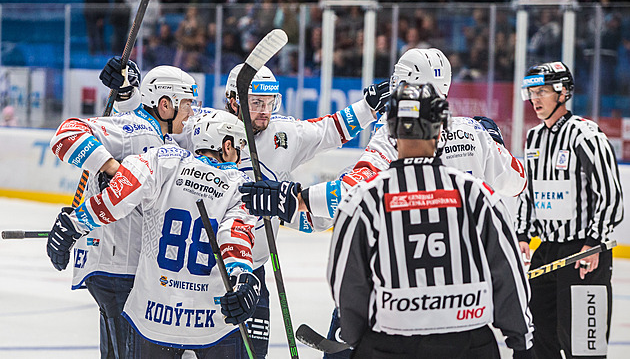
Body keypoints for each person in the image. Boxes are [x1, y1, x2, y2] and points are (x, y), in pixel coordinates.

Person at [239, 48, 528, 358]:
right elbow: (519, 182)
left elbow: (352, 194)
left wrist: (293, 199)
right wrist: (496, 146)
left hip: (397, 305)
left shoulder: (393, 136)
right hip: (462, 313)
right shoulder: (475, 136)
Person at [101, 57, 389, 358]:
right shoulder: (204, 127)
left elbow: (331, 129)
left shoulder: (285, 134)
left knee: (253, 354)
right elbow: (151, 127)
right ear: (233, 100)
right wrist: (126, 94)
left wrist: (369, 107)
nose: (264, 111)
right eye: (256, 103)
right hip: (197, 272)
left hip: (251, 270)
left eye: (269, 102)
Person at [327, 81, 534, 358]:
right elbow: (508, 272)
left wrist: (357, 335)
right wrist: (521, 342)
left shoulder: (363, 200)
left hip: (389, 343)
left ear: (391, 131)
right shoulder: (476, 194)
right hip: (467, 344)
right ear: (439, 129)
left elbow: (346, 279)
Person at [47, 111, 258, 357]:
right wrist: (244, 278)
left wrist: (74, 224)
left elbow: (118, 199)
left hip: (152, 316)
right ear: (226, 144)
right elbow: (234, 238)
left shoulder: (164, 158)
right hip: (210, 320)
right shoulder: (241, 186)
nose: (239, 156)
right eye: (238, 148)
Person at [48, 61, 198, 359]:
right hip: (122, 269)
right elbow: (65, 135)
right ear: (166, 105)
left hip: (119, 268)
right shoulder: (138, 130)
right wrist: (111, 167)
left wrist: (127, 89)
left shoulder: (159, 134)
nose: (192, 112)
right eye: (188, 104)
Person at [516, 61, 623, 359]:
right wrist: (523, 232)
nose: (535, 99)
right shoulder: (534, 137)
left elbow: (610, 194)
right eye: (531, 92)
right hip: (547, 249)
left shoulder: (585, 135)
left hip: (583, 253)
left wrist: (594, 243)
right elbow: (531, 191)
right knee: (537, 336)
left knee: (582, 344)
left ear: (563, 94)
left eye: (543, 92)